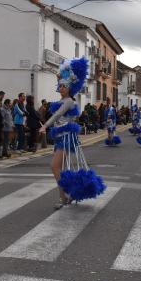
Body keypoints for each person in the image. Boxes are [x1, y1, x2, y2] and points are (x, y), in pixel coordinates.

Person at [39, 57, 105, 209]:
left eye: (64, 86)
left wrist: (45, 126)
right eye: (60, 86)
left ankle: (64, 196)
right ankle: (66, 195)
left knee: (55, 166)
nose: (61, 88)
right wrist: (61, 75)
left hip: (66, 138)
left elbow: (57, 115)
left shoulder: (68, 101)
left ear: (69, 88)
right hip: (60, 137)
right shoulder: (63, 100)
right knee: (59, 168)